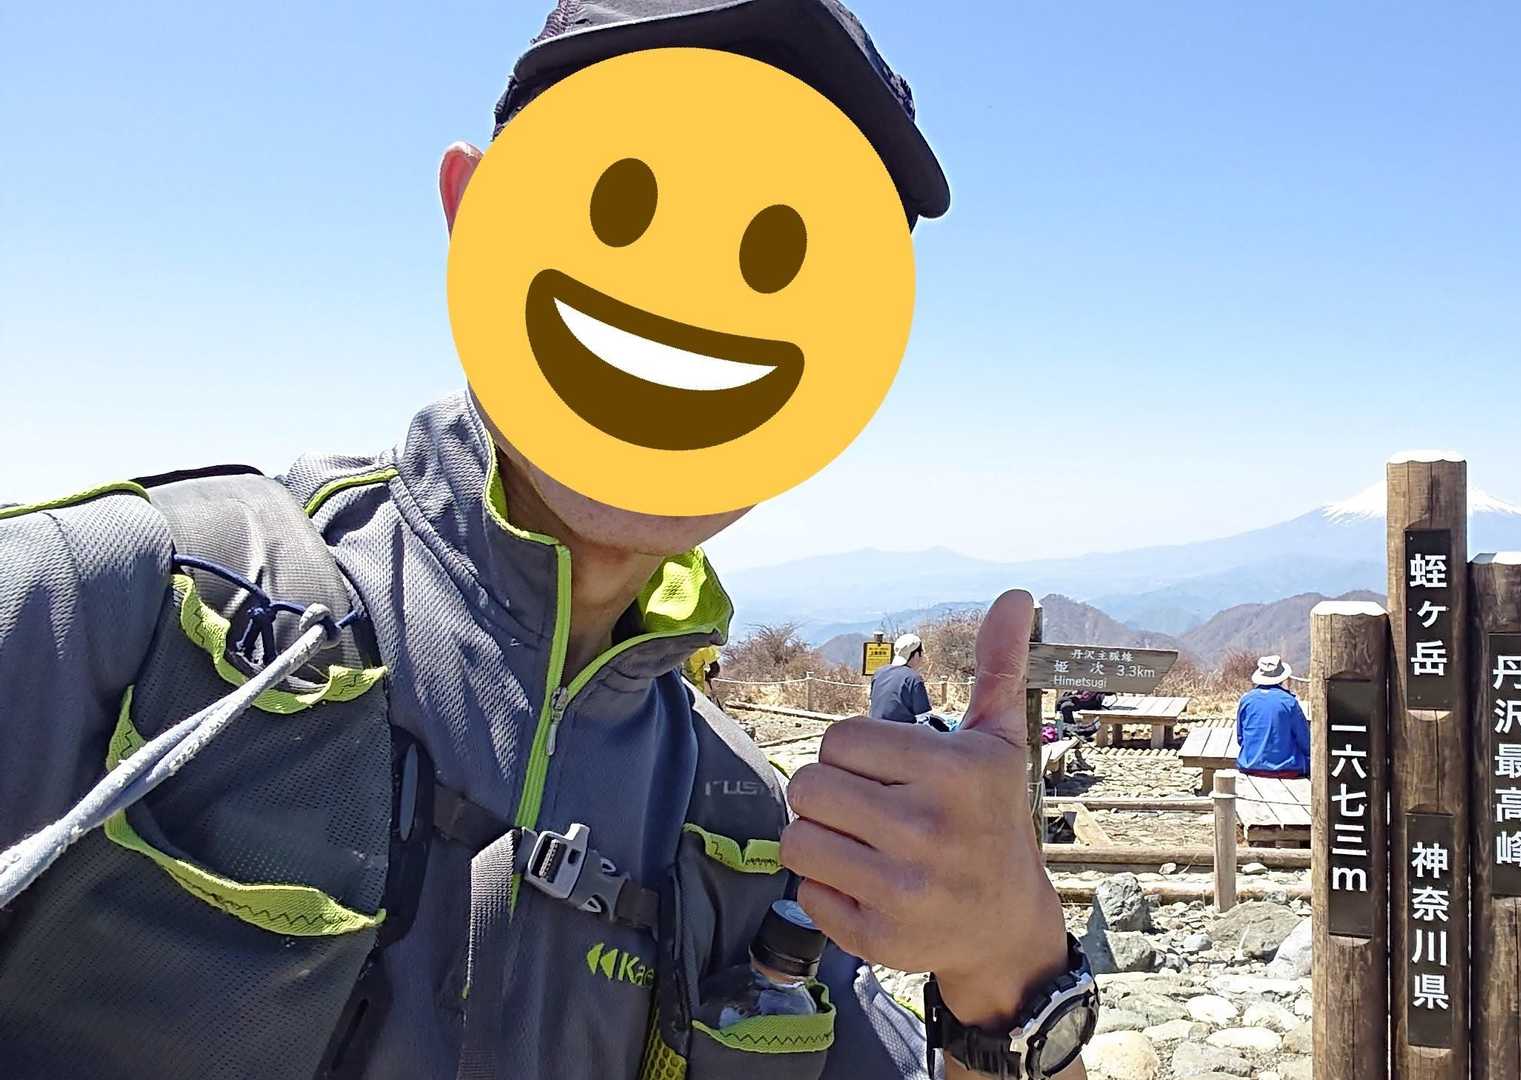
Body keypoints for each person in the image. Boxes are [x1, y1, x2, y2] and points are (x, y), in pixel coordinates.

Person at [0, 4, 1098, 1079]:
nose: (692, 294)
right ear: (472, 212)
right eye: (626, 200)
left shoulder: (746, 834)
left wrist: (1012, 972)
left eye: (782, 253)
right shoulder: (130, 609)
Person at [1236, 655, 1310, 779]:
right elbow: (1305, 741)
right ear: (1282, 677)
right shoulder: (1289, 702)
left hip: (1250, 766)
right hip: (1287, 769)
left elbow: (1240, 738)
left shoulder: (1246, 700)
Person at [870, 632, 934, 724]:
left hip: (874, 728)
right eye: (921, 653)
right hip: (902, 731)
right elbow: (923, 720)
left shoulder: (878, 673)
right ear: (916, 654)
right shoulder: (913, 678)